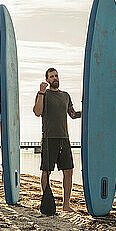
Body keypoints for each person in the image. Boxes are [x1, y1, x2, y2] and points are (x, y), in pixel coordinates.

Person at [33, 68, 81, 212]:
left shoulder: (65, 95)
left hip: (64, 137)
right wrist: (41, 92)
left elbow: (72, 114)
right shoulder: (44, 94)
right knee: (46, 171)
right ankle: (47, 200)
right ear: (47, 80)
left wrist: (87, 111)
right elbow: (37, 112)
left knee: (68, 170)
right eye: (51, 76)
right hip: (49, 138)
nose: (55, 78)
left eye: (56, 76)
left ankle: (66, 205)